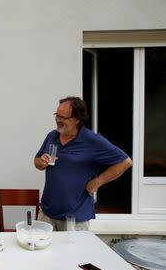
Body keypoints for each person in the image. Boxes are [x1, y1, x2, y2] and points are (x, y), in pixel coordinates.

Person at [34, 96, 132, 231]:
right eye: (57, 115)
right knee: (42, 251)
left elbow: (125, 162)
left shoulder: (92, 140)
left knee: (73, 253)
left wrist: (97, 182)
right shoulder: (52, 136)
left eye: (63, 117)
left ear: (77, 119)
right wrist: (42, 162)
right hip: (47, 213)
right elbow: (37, 162)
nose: (58, 120)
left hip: (75, 218)